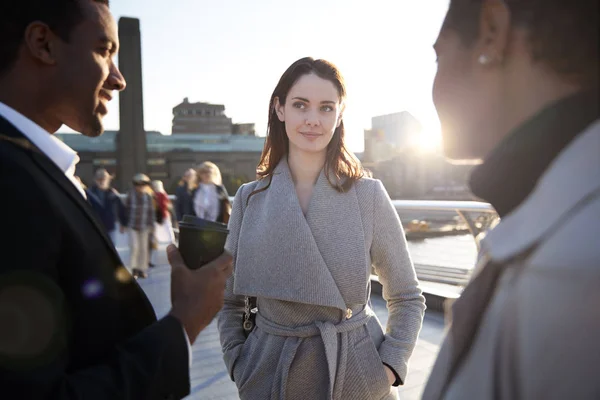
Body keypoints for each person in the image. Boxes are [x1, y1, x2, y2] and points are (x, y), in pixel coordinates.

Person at [0, 1, 233, 399]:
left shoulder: (37, 169)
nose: (119, 79)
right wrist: (184, 323)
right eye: (105, 51)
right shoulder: (11, 183)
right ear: (43, 43)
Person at [218, 57, 425, 400]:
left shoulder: (368, 195)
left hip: (353, 375)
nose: (313, 119)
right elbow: (229, 301)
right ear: (279, 109)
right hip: (271, 375)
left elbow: (406, 295)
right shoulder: (248, 199)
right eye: (301, 105)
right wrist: (239, 363)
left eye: (326, 108)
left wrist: (386, 369)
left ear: (340, 114)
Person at [422, 1, 599, 399]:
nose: (433, 89)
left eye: (439, 55)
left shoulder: (569, 271)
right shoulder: (553, 213)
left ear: (492, 31)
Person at [124, 173, 155, 279]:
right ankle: (134, 269)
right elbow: (125, 210)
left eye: (144, 183)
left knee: (143, 249)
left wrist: (152, 225)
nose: (141, 186)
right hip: (132, 225)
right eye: (138, 183)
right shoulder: (130, 195)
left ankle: (142, 269)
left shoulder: (149, 196)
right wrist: (124, 224)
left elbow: (151, 211)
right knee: (134, 247)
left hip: (144, 226)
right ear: (134, 185)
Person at [86, 168, 126, 245]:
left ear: (108, 180)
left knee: (111, 247)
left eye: (103, 179)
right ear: (96, 180)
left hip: (110, 226)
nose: (101, 181)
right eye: (99, 179)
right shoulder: (89, 193)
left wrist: (123, 223)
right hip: (95, 226)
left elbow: (120, 208)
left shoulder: (112, 193)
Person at [150, 180, 175, 265]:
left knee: (167, 230)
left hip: (162, 216)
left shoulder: (160, 194)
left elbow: (165, 206)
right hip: (159, 216)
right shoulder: (156, 195)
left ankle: (171, 244)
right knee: (163, 231)